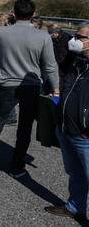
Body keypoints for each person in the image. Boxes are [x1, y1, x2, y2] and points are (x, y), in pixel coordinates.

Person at [0, 0, 60, 179]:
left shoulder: (2, 32)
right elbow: (50, 66)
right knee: (25, 126)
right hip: (31, 85)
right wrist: (56, 88)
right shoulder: (43, 36)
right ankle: (17, 166)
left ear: (14, 14)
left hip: (7, 83)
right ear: (33, 15)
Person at [45, 22, 89, 223]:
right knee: (74, 172)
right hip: (66, 127)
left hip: (84, 134)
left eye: (80, 38)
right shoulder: (77, 61)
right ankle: (75, 207)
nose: (75, 41)